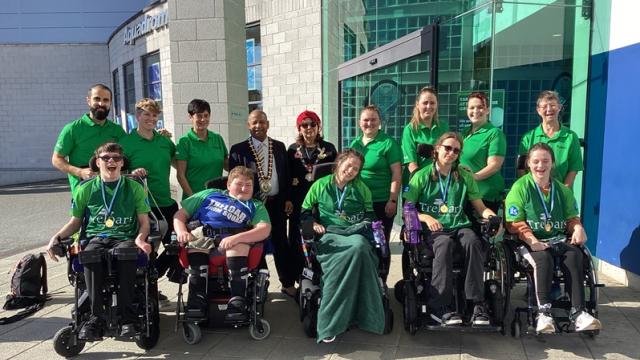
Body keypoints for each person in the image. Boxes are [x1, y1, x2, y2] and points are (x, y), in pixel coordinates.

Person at [46, 142, 151, 339]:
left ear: (122, 163)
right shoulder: (85, 188)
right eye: (106, 158)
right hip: (96, 237)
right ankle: (96, 318)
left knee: (126, 252)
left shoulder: (134, 187)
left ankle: (128, 318)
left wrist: (140, 238)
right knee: (90, 254)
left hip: (125, 237)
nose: (111, 161)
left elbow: (144, 222)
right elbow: (75, 222)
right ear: (97, 161)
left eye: (116, 158)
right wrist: (56, 237)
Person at [403, 132, 498, 326]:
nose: (451, 153)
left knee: (473, 241)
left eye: (456, 150)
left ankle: (475, 304)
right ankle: (440, 306)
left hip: (459, 225)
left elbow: (479, 207)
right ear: (437, 149)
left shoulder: (464, 176)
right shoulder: (421, 176)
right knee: (444, 244)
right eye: (447, 148)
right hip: (434, 230)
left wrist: (493, 217)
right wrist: (426, 217)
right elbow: (408, 208)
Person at [505, 142, 601, 333]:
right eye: (536, 162)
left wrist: (578, 228)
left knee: (575, 256)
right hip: (529, 241)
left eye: (545, 161)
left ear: (552, 164)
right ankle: (543, 313)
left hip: (557, 239)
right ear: (528, 164)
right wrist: (532, 240)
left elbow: (571, 218)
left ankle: (578, 313)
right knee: (543, 259)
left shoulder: (562, 190)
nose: (540, 166)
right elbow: (513, 222)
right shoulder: (520, 188)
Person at [301, 149, 384, 343]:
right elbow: (304, 212)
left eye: (356, 169)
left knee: (360, 246)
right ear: (338, 163)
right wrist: (313, 223)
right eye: (349, 165)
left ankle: (340, 319)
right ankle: (342, 319)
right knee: (359, 249)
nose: (351, 170)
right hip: (329, 235)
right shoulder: (320, 185)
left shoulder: (361, 188)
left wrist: (362, 224)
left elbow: (370, 215)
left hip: (355, 233)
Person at [173, 166, 271, 319]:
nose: (244, 188)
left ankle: (238, 300)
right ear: (228, 185)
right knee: (197, 248)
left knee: (237, 246)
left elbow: (264, 229)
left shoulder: (255, 205)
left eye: (249, 185)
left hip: (235, 238)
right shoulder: (208, 194)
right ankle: (197, 300)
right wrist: (181, 232)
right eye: (239, 184)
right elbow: (180, 215)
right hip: (203, 235)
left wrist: (236, 238)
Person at [229, 110, 295, 297]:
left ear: (268, 123)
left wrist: (288, 198)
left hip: (278, 203)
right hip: (254, 206)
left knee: (281, 243)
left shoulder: (280, 147)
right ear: (248, 126)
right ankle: (260, 284)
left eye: (262, 122)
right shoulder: (238, 149)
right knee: (256, 243)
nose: (258, 126)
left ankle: (287, 283)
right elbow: (236, 181)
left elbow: (287, 175)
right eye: (254, 123)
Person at [119, 98, 179, 291]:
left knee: (178, 247)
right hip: (142, 206)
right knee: (147, 251)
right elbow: (115, 173)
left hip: (167, 203)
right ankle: (149, 293)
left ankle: (154, 276)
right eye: (146, 114)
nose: (151, 119)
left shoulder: (165, 142)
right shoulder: (126, 143)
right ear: (137, 116)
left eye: (154, 115)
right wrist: (131, 174)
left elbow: (178, 164)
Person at [349, 105, 401, 281]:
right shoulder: (354, 144)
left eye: (373, 120)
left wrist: (392, 200)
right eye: (365, 120)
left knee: (381, 244)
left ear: (380, 123)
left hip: (381, 202)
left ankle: (381, 282)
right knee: (362, 242)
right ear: (359, 123)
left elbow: (396, 174)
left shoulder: (388, 143)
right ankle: (365, 280)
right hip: (360, 203)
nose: (369, 123)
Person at [287, 110, 337, 287]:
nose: (309, 128)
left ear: (318, 126)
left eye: (312, 124)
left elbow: (336, 176)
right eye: (304, 125)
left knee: (322, 235)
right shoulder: (293, 149)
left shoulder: (329, 148)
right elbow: (288, 176)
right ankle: (303, 279)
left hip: (321, 202)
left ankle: (324, 275)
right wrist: (289, 201)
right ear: (299, 128)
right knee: (299, 239)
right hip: (300, 203)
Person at [52, 84, 126, 195]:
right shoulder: (72, 129)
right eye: (97, 99)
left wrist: (156, 134)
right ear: (88, 101)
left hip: (113, 194)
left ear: (110, 103)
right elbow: (56, 159)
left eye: (105, 100)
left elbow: (130, 152)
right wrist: (80, 172)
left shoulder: (117, 130)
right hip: (84, 195)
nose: (101, 103)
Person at [518, 90, 583, 188]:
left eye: (553, 105)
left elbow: (573, 170)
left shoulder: (571, 137)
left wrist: (562, 193)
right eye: (544, 106)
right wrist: (533, 191)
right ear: (538, 110)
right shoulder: (527, 138)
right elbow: (521, 168)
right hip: (534, 195)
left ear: (559, 108)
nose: (549, 109)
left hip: (561, 197)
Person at [460, 91, 507, 212]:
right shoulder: (464, 133)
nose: (475, 111)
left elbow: (494, 165)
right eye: (472, 107)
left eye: (480, 107)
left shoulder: (494, 133)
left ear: (487, 110)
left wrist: (474, 177)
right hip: (466, 194)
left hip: (485, 196)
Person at [176, 99, 229, 199]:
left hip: (217, 198)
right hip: (195, 198)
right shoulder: (184, 142)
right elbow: (180, 175)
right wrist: (192, 197)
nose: (203, 119)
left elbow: (227, 166)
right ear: (190, 117)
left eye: (206, 115)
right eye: (199, 116)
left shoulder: (217, 138)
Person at [402, 87, 449, 178]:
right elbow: (411, 165)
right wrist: (425, 182)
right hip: (417, 181)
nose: (429, 106)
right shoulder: (410, 130)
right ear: (417, 104)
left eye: (432, 103)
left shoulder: (444, 127)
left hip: (439, 180)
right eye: (425, 103)